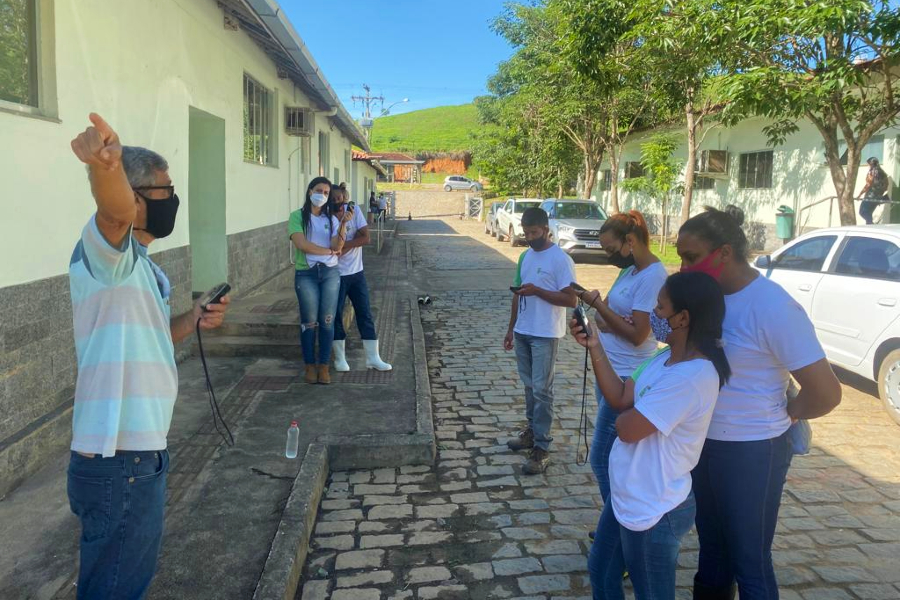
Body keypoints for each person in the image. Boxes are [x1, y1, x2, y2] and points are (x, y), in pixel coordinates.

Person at [67, 113, 230, 599]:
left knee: (122, 582)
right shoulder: (106, 252)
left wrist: (194, 317)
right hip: (121, 455)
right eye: (163, 192)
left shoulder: (140, 266)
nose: (172, 201)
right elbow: (113, 213)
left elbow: (157, 335)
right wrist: (104, 168)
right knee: (115, 588)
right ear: (135, 199)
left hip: (138, 453)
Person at [677, 206, 842, 600]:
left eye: (691, 257)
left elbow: (826, 392)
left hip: (753, 451)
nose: (683, 268)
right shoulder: (706, 299)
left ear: (725, 252)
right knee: (712, 555)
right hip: (702, 444)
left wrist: (790, 413)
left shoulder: (773, 307)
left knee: (749, 561)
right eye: (680, 256)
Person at [571, 272, 730, 600]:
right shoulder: (663, 358)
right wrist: (595, 345)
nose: (653, 315)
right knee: (601, 572)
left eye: (660, 307)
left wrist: (629, 418)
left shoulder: (692, 376)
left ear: (682, 318)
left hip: (656, 506)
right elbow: (619, 398)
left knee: (651, 593)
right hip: (629, 493)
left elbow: (627, 429)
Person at [572, 210, 668, 504]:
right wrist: (601, 316)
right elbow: (611, 321)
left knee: (601, 458)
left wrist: (598, 305)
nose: (610, 256)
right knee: (614, 458)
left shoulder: (653, 276)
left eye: (612, 250)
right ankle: (615, 523)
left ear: (630, 241)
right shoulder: (629, 272)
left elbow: (638, 334)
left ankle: (615, 526)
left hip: (628, 375)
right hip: (609, 370)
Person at [504, 207, 577, 474]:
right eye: (526, 233)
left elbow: (571, 299)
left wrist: (538, 291)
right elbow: (517, 293)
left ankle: (542, 447)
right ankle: (531, 433)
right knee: (528, 386)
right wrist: (511, 329)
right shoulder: (524, 256)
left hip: (546, 332)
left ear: (546, 229)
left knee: (542, 391)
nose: (530, 237)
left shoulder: (560, 260)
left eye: (534, 232)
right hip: (524, 330)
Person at [289, 177, 350, 384]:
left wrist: (343, 224)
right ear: (309, 192)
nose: (322, 196)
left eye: (326, 193)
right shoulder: (297, 216)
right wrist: (328, 251)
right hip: (306, 273)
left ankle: (324, 366)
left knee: (327, 320)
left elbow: (337, 245)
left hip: (330, 273)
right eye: (319, 191)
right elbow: (301, 243)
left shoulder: (331, 219)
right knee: (309, 321)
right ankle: (309, 365)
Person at [328, 187, 392, 372]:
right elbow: (331, 250)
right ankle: (340, 359)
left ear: (345, 197)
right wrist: (352, 239)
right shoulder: (327, 219)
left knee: (365, 313)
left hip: (357, 273)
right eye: (333, 199)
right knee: (336, 315)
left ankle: (373, 358)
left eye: (339, 198)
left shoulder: (353, 212)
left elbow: (366, 238)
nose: (337, 202)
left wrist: (343, 246)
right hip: (335, 274)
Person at [858, 157, 890, 225]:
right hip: (877, 196)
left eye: (868, 164)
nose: (867, 166)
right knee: (868, 213)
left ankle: (870, 225)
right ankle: (883, 198)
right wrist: (880, 192)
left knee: (863, 212)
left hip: (870, 196)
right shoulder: (882, 172)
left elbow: (868, 185)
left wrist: (860, 194)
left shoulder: (872, 172)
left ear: (871, 164)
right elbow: (886, 185)